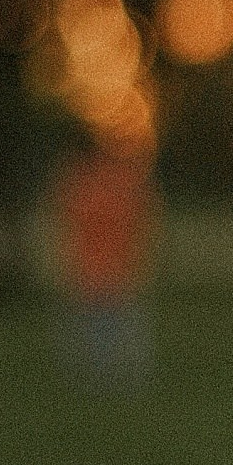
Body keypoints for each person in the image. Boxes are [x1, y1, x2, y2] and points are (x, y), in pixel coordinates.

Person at [53, 139, 161, 393]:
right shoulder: (123, 181)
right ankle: (128, 376)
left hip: (91, 268)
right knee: (119, 325)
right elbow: (142, 220)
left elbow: (68, 222)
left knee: (97, 327)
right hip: (117, 267)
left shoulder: (78, 183)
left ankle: (100, 376)